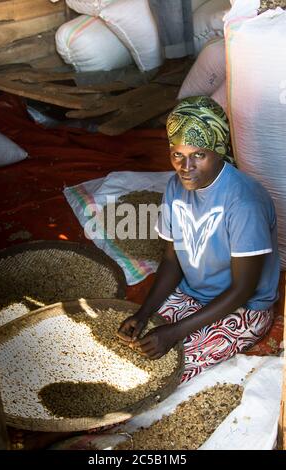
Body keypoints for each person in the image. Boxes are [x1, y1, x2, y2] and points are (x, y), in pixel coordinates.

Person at [118, 96, 280, 382]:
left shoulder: (244, 202)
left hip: (243, 308)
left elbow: (243, 289)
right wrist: (144, 313)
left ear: (219, 151)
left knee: (164, 371)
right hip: (190, 293)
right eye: (177, 154)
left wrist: (176, 331)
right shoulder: (175, 187)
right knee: (131, 348)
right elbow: (172, 259)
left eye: (198, 155)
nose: (185, 166)